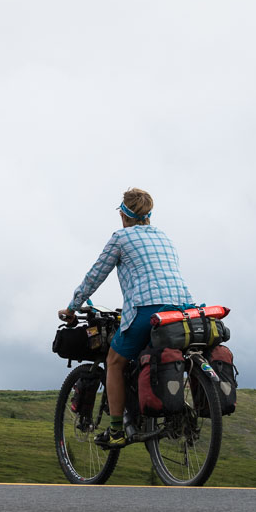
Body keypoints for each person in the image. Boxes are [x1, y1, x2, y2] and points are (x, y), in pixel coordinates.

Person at [58, 188, 193, 448]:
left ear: (123, 215)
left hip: (146, 309)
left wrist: (72, 307)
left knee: (115, 361)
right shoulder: (164, 237)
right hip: (181, 309)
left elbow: (96, 275)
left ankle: (117, 430)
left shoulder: (121, 238)